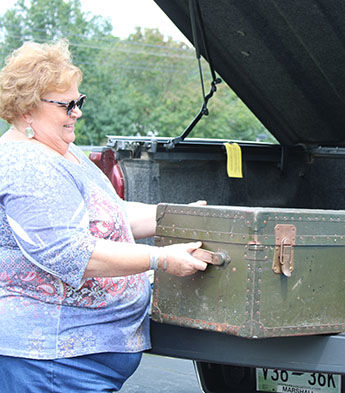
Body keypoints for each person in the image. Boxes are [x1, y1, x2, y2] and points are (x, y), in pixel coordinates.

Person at [0, 40, 209, 392]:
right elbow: (68, 252)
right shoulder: (25, 164)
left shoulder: (65, 151)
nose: (77, 112)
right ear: (26, 109)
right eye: (67, 105)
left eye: (78, 102)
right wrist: (161, 259)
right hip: (50, 365)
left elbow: (113, 217)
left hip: (75, 364)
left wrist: (173, 217)